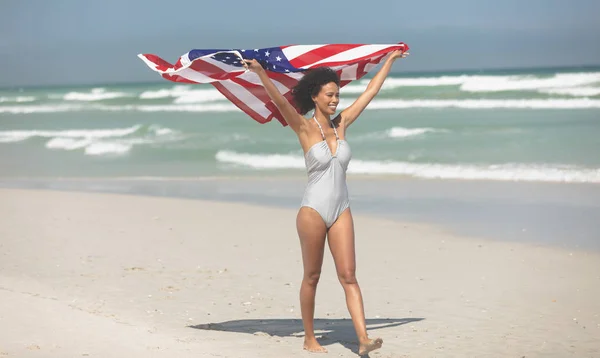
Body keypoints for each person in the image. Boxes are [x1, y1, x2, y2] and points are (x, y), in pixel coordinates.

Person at [244, 49, 408, 355]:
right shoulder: (304, 128)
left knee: (349, 275)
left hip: (341, 209)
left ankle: (363, 340)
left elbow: (370, 92)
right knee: (312, 276)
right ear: (315, 96)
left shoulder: (341, 124)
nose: (335, 100)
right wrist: (260, 73)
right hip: (313, 211)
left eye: (337, 95)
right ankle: (309, 337)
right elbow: (280, 102)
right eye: (330, 95)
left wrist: (388, 62)